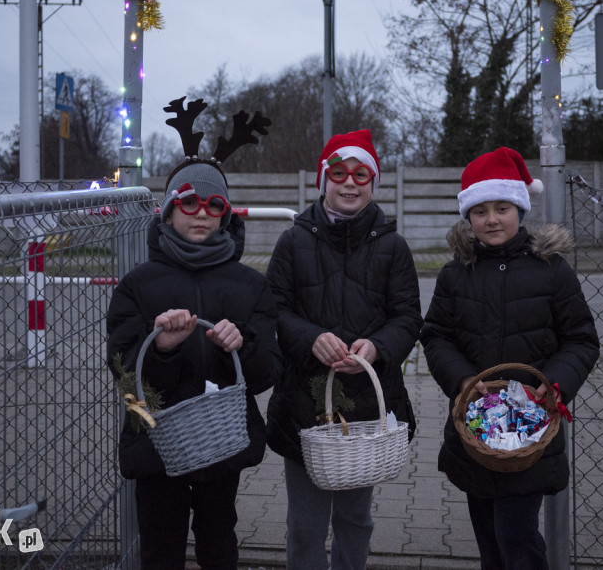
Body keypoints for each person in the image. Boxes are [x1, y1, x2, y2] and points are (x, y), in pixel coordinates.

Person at [106, 98, 280, 570]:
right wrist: (161, 347)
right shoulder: (137, 285)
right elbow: (123, 370)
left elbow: (267, 371)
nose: (201, 214)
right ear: (167, 210)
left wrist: (239, 345)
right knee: (160, 546)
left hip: (219, 443)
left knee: (218, 540)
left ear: (225, 213)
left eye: (214, 204)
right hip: (155, 441)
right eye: (189, 202)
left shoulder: (250, 285)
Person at [421, 147, 600, 570]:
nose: (492, 219)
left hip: (532, 427)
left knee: (516, 538)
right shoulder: (454, 274)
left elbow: (581, 341)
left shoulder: (551, 271)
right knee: (490, 543)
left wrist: (554, 384)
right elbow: (436, 338)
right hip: (477, 427)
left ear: (519, 208)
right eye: (480, 211)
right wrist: (463, 380)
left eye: (502, 207)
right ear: (469, 217)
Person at [264, 129, 422, 570]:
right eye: (338, 174)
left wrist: (379, 346)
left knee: (355, 517)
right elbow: (272, 310)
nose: (349, 183)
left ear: (373, 183)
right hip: (304, 403)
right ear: (323, 181)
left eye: (360, 174)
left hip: (369, 403)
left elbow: (409, 317)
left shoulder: (393, 247)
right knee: (305, 524)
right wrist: (309, 338)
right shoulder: (293, 242)